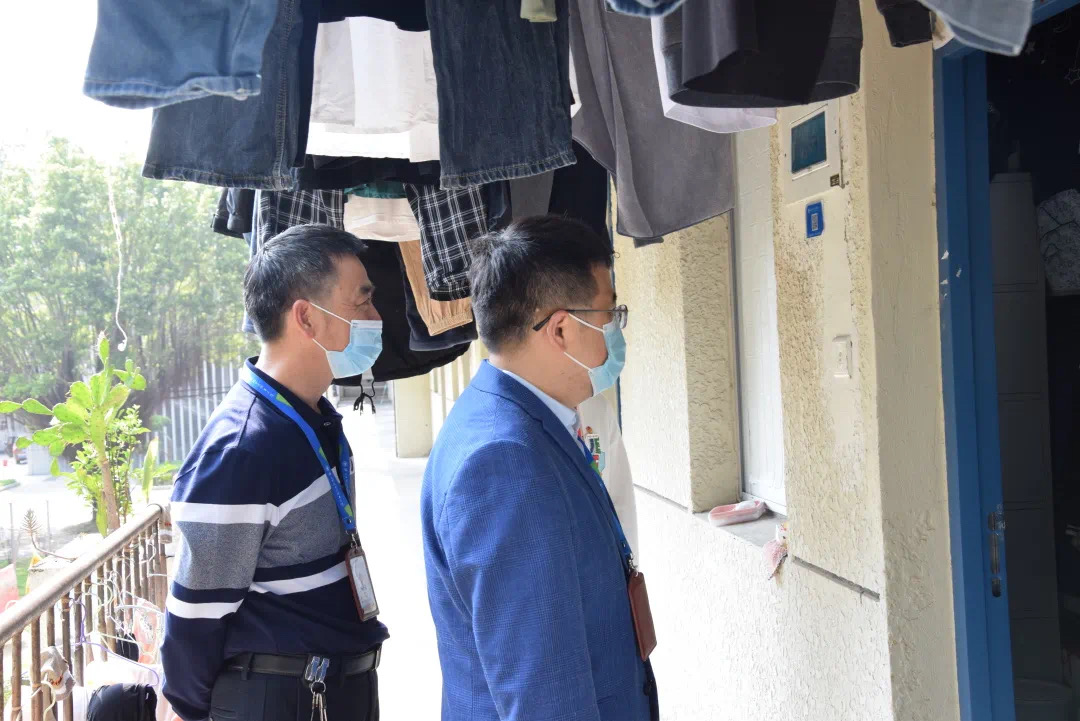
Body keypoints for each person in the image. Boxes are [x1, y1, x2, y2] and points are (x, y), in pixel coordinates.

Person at [421, 216, 659, 721]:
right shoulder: (503, 463)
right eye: (610, 314)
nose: (616, 331)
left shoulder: (519, 419)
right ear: (561, 328)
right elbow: (542, 694)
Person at [162, 225, 388, 721]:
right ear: (306, 317)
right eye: (362, 301)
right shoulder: (242, 448)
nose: (376, 318)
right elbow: (194, 622)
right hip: (282, 700)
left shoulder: (310, 417)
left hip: (333, 688)